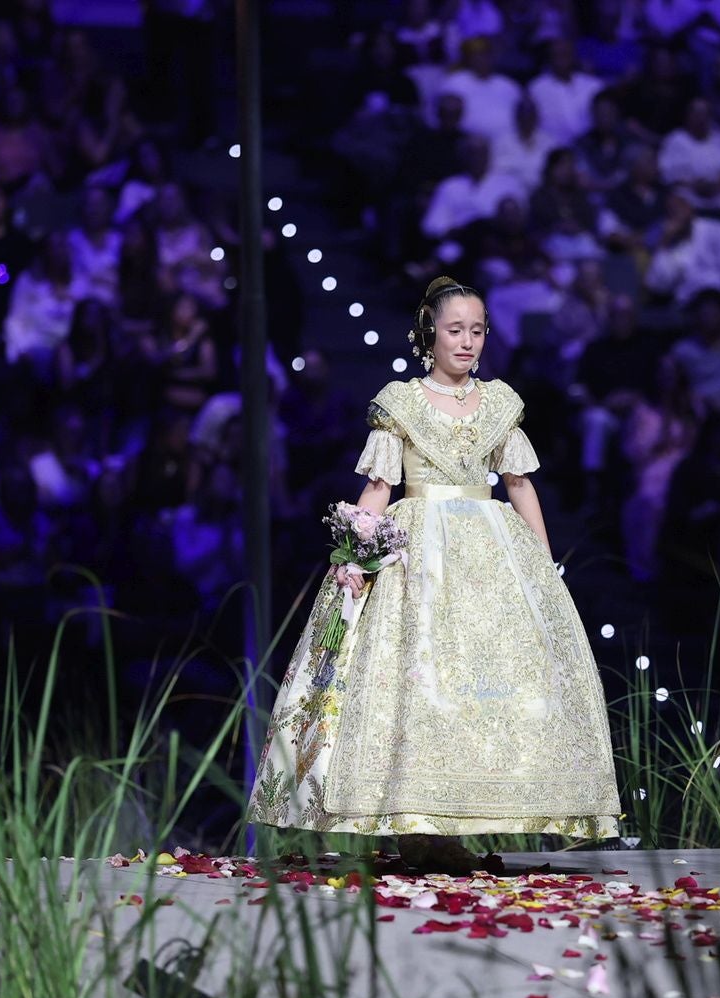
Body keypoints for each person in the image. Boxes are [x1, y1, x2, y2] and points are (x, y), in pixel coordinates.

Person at [247, 277, 622, 872]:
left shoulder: (499, 402)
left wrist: (545, 567)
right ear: (430, 334)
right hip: (417, 550)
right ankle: (414, 820)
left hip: (491, 549)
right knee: (413, 675)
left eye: (477, 331)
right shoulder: (401, 402)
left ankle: (465, 814)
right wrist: (353, 557)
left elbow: (521, 485)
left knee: (493, 680)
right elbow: (378, 488)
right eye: (456, 330)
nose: (468, 342)